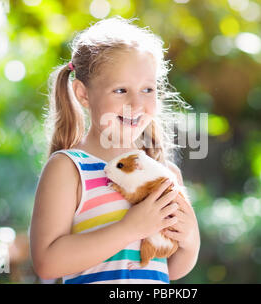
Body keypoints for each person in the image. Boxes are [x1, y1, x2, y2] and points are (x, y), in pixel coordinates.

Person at [30, 16, 200, 284]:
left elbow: (168, 268)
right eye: (120, 90)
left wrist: (190, 240)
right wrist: (129, 229)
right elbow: (47, 263)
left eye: (147, 89)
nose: (136, 102)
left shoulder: (167, 175)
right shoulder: (68, 168)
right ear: (83, 94)